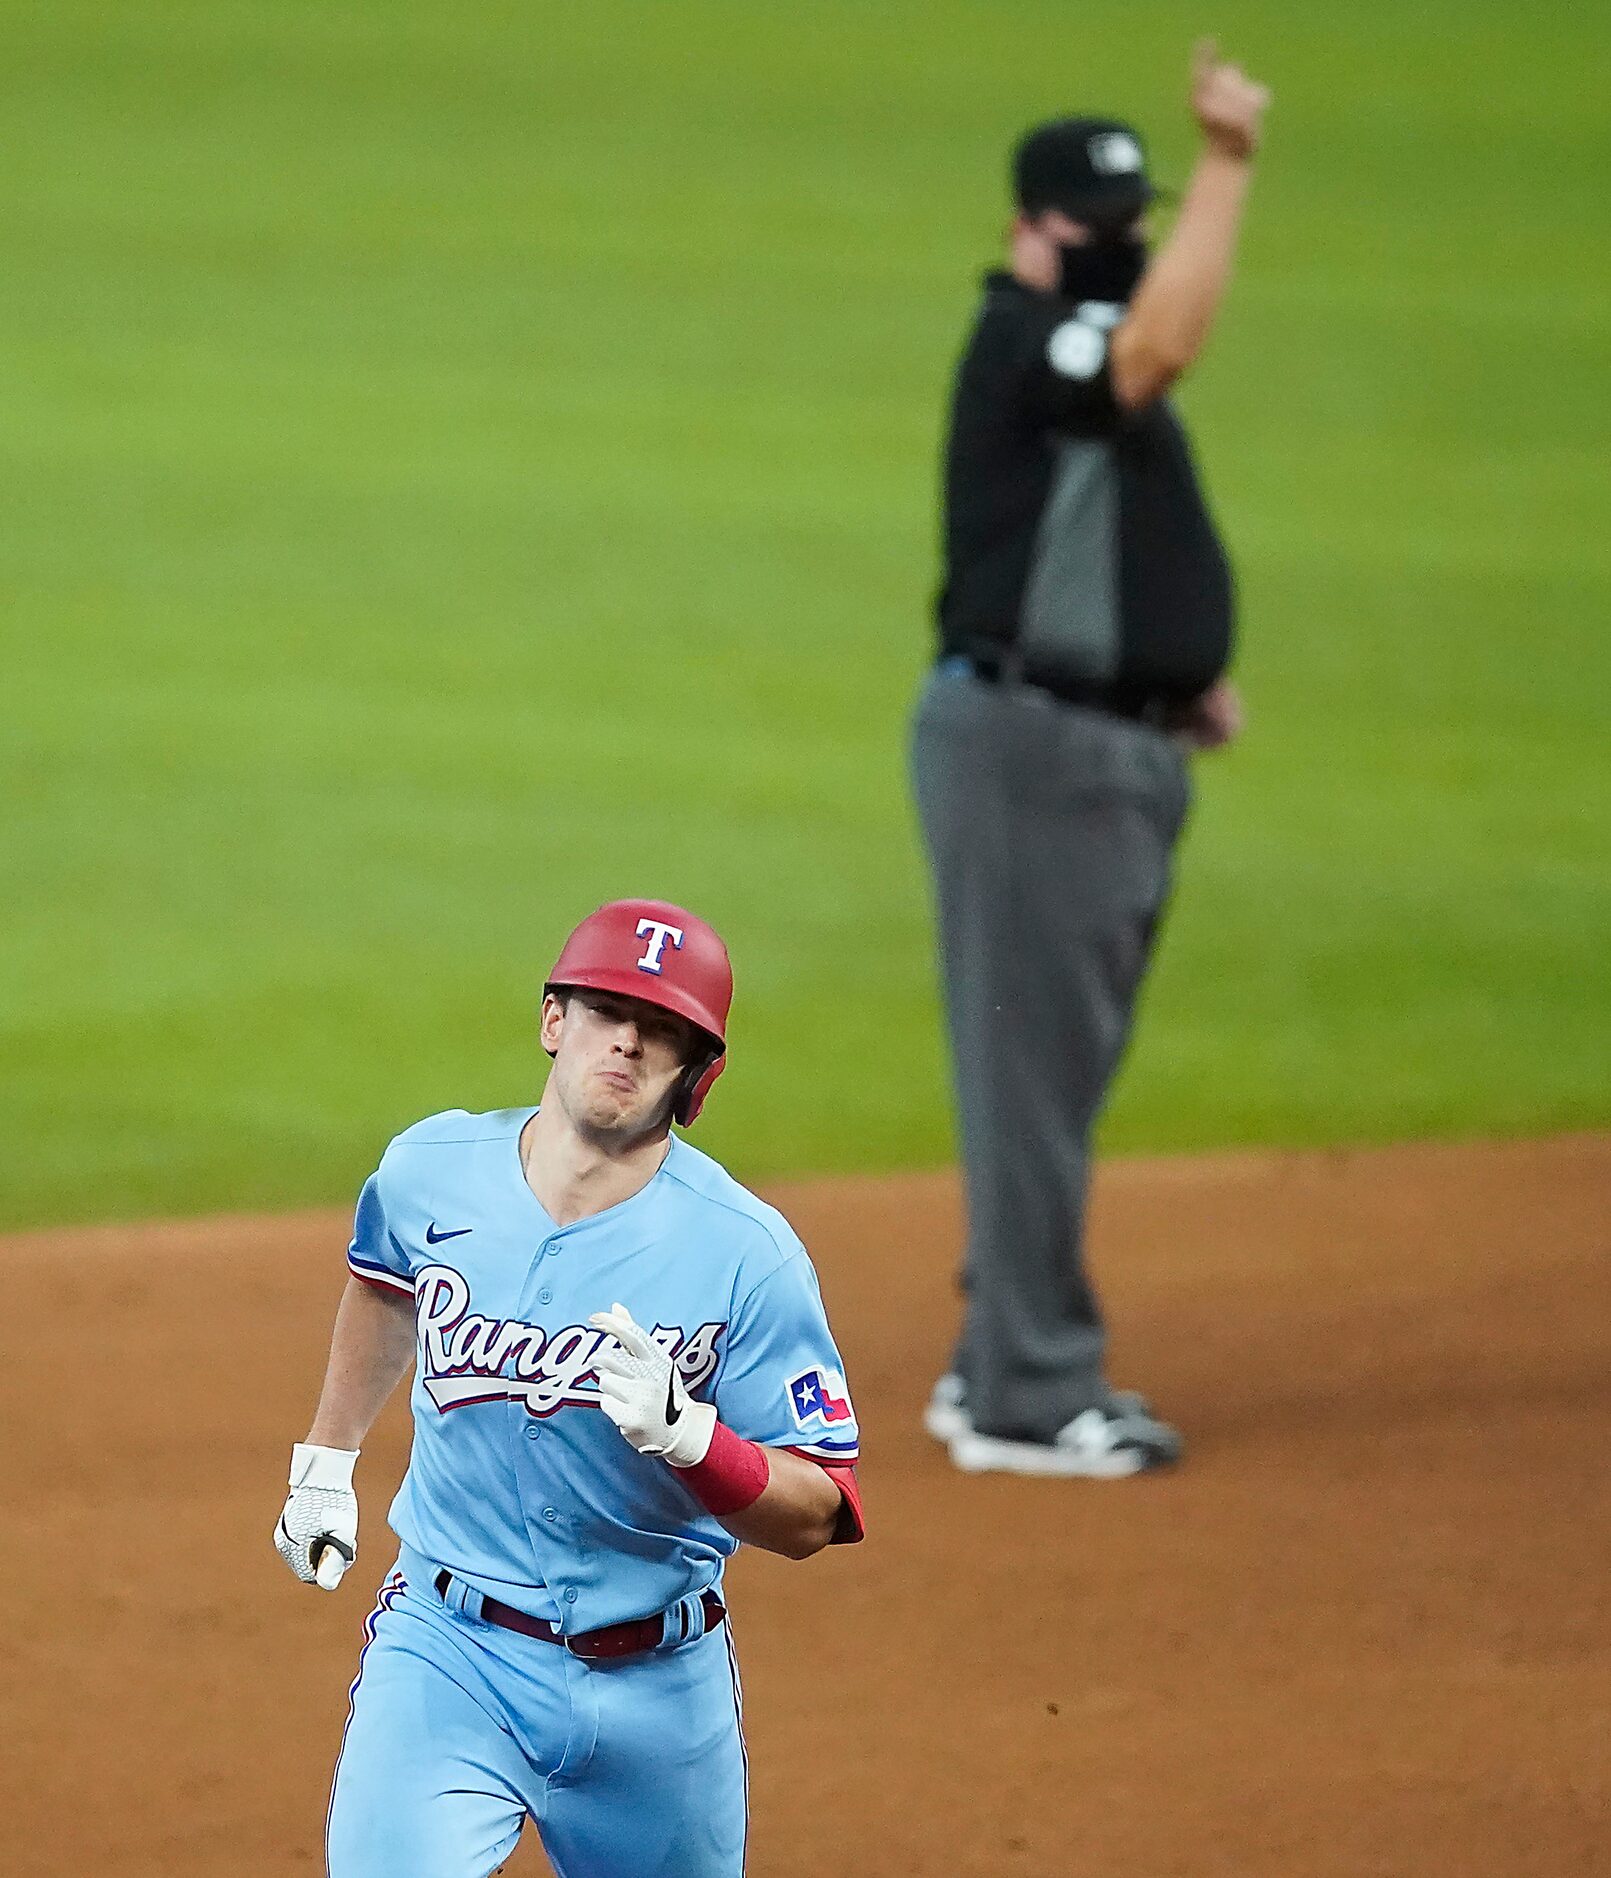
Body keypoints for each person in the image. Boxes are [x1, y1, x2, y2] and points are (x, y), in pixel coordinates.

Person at [273, 899, 862, 1878]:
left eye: (665, 1028)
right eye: (606, 1008)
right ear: (555, 1020)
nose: (628, 1039)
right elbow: (385, 1289)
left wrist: (692, 1440)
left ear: (696, 1076)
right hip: (447, 1654)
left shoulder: (746, 1256)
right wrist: (324, 1465)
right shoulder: (429, 1171)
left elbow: (820, 1508)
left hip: (659, 1699)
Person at [912, 43, 1271, 1478]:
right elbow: (1151, 351)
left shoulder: (1080, 360)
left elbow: (1090, 546)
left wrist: (1173, 677)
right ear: (1028, 228)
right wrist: (1231, 167)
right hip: (1028, 749)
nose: (1117, 257)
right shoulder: (1023, 335)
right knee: (1033, 1076)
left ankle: (995, 1352)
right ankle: (1021, 1389)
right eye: (1096, 234)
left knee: (1048, 1071)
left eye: (1136, 228)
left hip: (1087, 743)